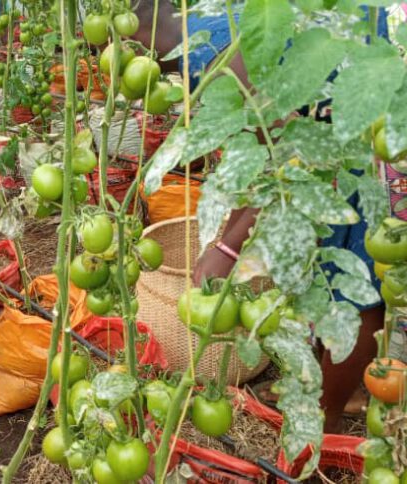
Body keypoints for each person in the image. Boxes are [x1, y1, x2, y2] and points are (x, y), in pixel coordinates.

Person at [126, 0, 391, 433]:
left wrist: (228, 247)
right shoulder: (224, 25)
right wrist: (229, 235)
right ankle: (331, 387)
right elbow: (252, 153)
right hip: (344, 105)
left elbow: (281, 158)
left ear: (142, 34)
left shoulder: (216, 57)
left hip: (366, 135)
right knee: (331, 264)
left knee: (360, 280)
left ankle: (325, 417)